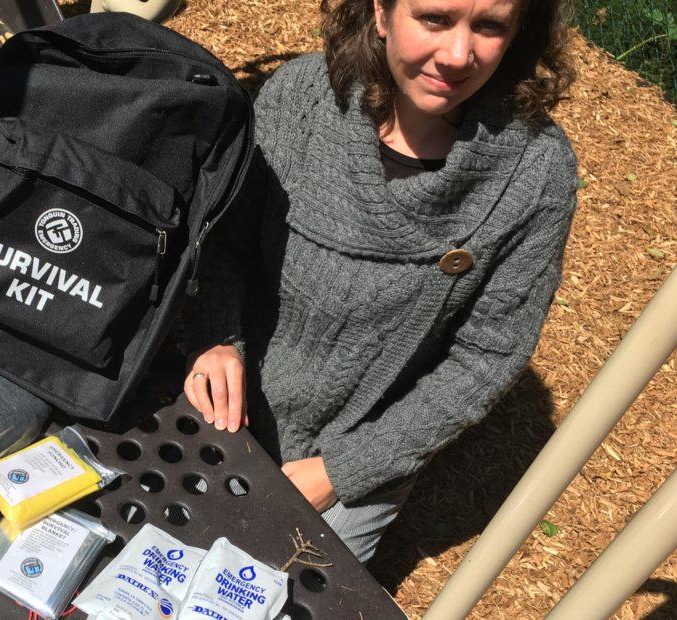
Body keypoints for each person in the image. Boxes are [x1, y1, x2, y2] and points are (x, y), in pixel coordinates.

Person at [183, 0, 577, 562]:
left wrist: (345, 471)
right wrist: (217, 338)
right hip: (234, 389)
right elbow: (225, 246)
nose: (459, 55)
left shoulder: (535, 171)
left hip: (361, 437)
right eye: (435, 19)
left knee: (284, 581)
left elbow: (486, 358)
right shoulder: (300, 98)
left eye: (489, 26)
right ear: (382, 13)